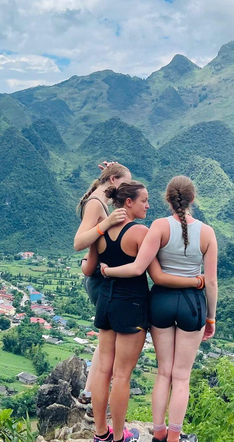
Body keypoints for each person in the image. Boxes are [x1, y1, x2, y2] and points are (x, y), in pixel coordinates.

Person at [100, 176, 218, 442]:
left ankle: (159, 432)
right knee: (182, 376)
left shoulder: (159, 227)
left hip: (161, 302)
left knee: (163, 372)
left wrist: (107, 271)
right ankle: (174, 437)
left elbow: (142, 269)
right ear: (192, 199)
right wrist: (210, 318)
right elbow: (210, 281)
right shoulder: (207, 232)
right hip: (193, 304)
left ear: (167, 198)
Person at [74, 163, 133, 408]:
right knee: (110, 341)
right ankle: (95, 398)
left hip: (97, 275)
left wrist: (112, 170)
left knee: (105, 340)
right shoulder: (96, 204)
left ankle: (89, 394)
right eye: (124, 183)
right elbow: (79, 242)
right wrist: (106, 224)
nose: (127, 190)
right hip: (100, 279)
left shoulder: (99, 199)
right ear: (112, 179)